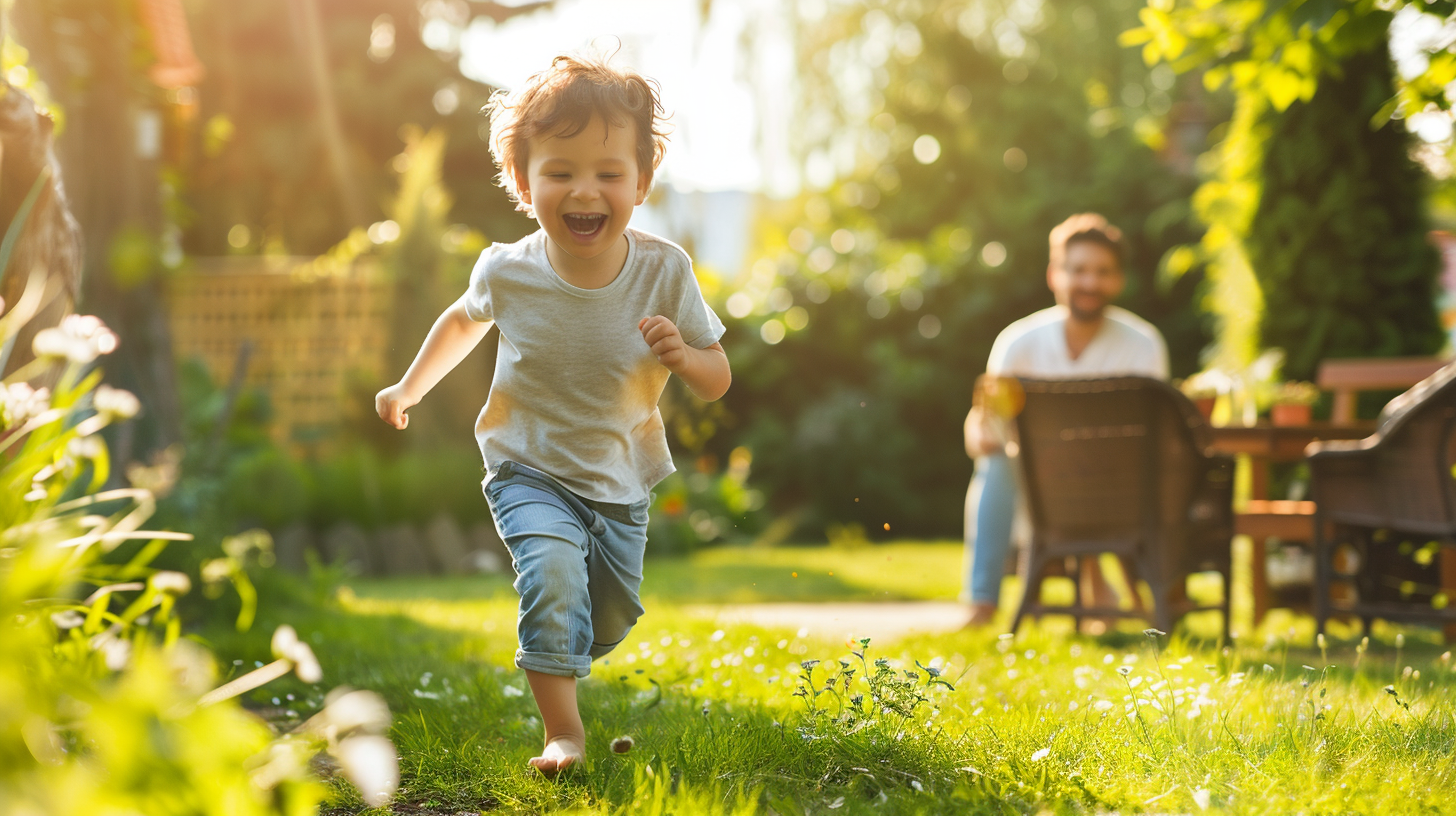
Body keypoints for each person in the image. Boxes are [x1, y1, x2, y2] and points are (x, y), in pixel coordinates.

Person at [374, 55, 730, 776]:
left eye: (608, 173)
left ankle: (565, 644)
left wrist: (685, 358)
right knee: (552, 573)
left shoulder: (666, 271)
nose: (584, 191)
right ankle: (563, 732)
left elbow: (718, 376)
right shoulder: (508, 268)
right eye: (560, 172)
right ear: (523, 181)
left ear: (641, 182)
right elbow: (460, 323)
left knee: (608, 615)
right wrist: (409, 389)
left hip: (620, 478)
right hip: (525, 465)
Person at [962, 213, 1168, 627]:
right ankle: (981, 603)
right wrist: (980, 430)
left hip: (1118, 486)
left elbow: (1155, 437)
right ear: (1054, 274)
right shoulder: (1018, 343)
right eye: (1078, 271)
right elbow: (985, 427)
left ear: (1119, 280)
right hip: (1036, 489)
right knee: (996, 463)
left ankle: (1100, 587)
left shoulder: (1143, 344)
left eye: (1102, 272)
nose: (1090, 283)